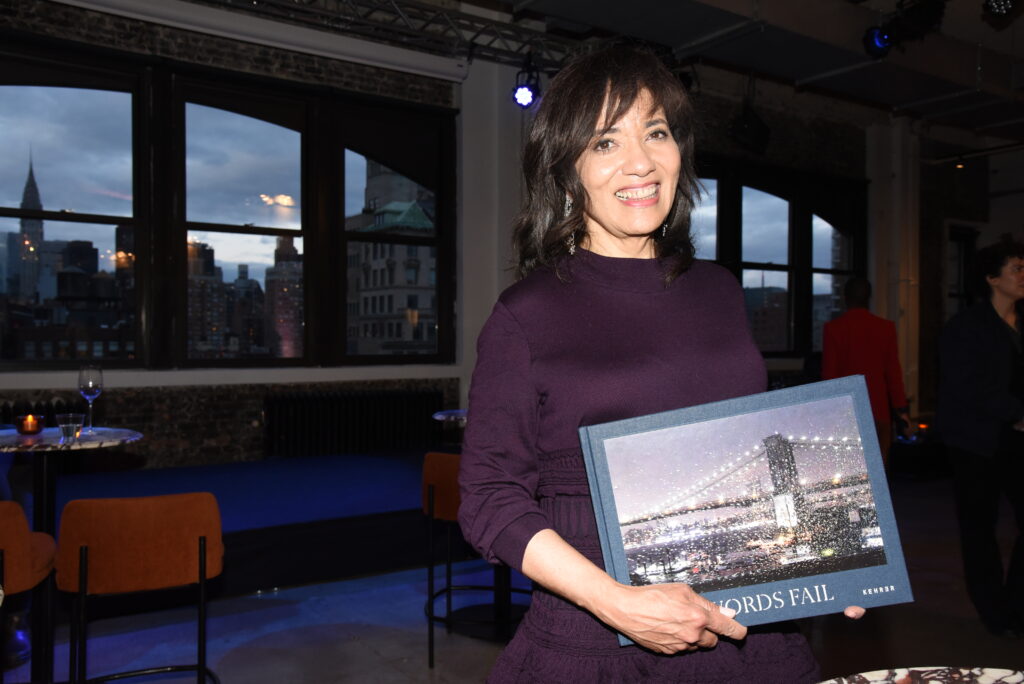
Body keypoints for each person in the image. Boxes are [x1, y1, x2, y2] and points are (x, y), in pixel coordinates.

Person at [458, 46, 862, 683]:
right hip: (596, 638)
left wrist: (821, 564)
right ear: (567, 170)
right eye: (604, 143)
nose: (640, 162)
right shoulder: (525, 314)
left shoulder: (720, 290)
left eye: (656, 132)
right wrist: (618, 605)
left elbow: (745, 445)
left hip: (750, 633)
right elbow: (488, 499)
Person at [937, 239, 1024, 638]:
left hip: (1016, 441)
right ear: (992, 278)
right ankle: (995, 612)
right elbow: (968, 386)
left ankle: (1015, 604)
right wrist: (1016, 413)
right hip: (976, 442)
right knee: (979, 530)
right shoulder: (966, 327)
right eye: (1017, 268)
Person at [822, 277, 911, 466]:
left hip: (847, 412)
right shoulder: (885, 328)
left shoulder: (833, 329)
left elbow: (829, 377)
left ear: (845, 298)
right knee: (878, 469)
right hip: (878, 411)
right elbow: (893, 374)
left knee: (850, 470)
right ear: (869, 298)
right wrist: (901, 410)